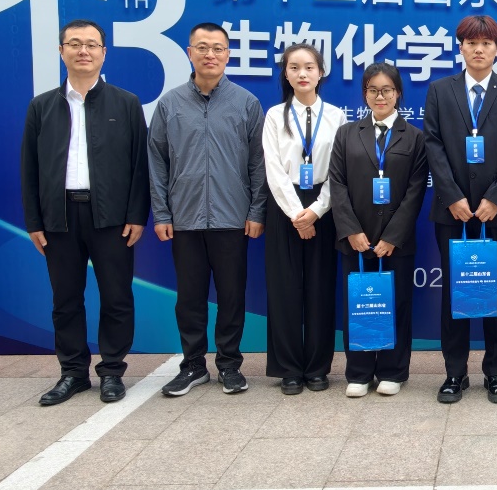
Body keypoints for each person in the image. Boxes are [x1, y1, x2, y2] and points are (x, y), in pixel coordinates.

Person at [22, 19, 149, 406]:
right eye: (75, 44)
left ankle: (112, 371)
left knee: (116, 297)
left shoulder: (125, 103)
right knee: (65, 299)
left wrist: (137, 215)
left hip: (111, 217)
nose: (83, 51)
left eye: (92, 44)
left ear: (103, 53)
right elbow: (29, 168)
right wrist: (34, 221)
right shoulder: (42, 106)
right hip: (59, 217)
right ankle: (73, 372)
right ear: (61, 51)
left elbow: (140, 165)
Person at [150, 23, 266, 397]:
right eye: (202, 47)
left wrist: (257, 212)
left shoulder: (246, 103)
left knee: (231, 297)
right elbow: (157, 162)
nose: (210, 54)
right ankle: (193, 366)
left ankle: (229, 365)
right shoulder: (169, 105)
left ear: (228, 55)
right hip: (184, 219)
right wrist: (162, 214)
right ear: (190, 53)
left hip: (233, 219)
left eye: (217, 48)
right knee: (189, 298)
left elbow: (258, 163)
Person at [424, 15, 497, 404]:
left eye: (486, 43)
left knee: (496, 293)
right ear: (461, 47)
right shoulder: (440, 90)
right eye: (471, 43)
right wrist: (452, 196)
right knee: (455, 294)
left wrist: (495, 198)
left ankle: (495, 373)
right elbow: (432, 144)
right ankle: (455, 373)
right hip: (451, 212)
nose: (479, 49)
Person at [329, 63, 428, 398]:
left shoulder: (413, 137)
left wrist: (392, 237)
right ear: (365, 94)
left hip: (396, 242)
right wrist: (351, 230)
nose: (380, 96)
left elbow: (415, 190)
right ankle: (358, 372)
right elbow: (337, 184)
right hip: (355, 239)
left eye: (386, 90)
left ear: (398, 93)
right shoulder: (347, 134)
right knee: (359, 304)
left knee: (396, 304)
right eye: (373, 90)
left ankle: (392, 370)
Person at [262, 43, 346, 394]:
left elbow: (339, 172)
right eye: (294, 67)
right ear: (285, 73)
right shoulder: (274, 115)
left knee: (320, 289)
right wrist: (298, 213)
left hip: (324, 208)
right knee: (284, 289)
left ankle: (317, 367)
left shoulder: (337, 116)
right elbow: (273, 169)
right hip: (285, 207)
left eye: (309, 67)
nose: (302, 74)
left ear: (321, 72)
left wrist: (316, 211)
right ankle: (288, 368)